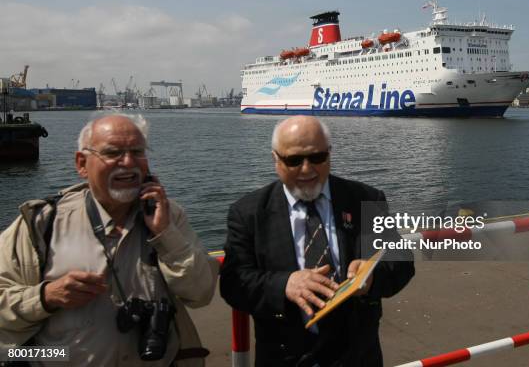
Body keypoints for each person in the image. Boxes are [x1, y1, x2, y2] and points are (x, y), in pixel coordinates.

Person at [0, 114, 219, 366]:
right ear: (82, 163)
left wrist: (165, 234)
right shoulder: (41, 223)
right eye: (113, 152)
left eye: (137, 151)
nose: (128, 162)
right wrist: (46, 297)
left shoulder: (168, 216)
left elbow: (201, 294)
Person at [220, 116, 414, 367]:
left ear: (329, 154)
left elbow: (401, 261)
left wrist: (371, 277)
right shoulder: (248, 213)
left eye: (317, 158)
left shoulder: (364, 198)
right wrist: (284, 284)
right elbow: (234, 282)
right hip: (284, 357)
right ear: (275, 160)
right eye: (294, 160)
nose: (306, 169)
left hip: (357, 356)